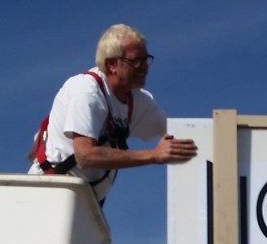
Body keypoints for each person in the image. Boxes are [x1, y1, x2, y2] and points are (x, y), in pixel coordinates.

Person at [29, 24, 196, 202]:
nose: (144, 67)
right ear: (112, 64)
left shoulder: (137, 100)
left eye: (146, 59)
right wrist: (153, 155)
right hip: (48, 195)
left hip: (83, 202)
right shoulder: (86, 91)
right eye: (136, 61)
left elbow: (181, 134)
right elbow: (85, 156)